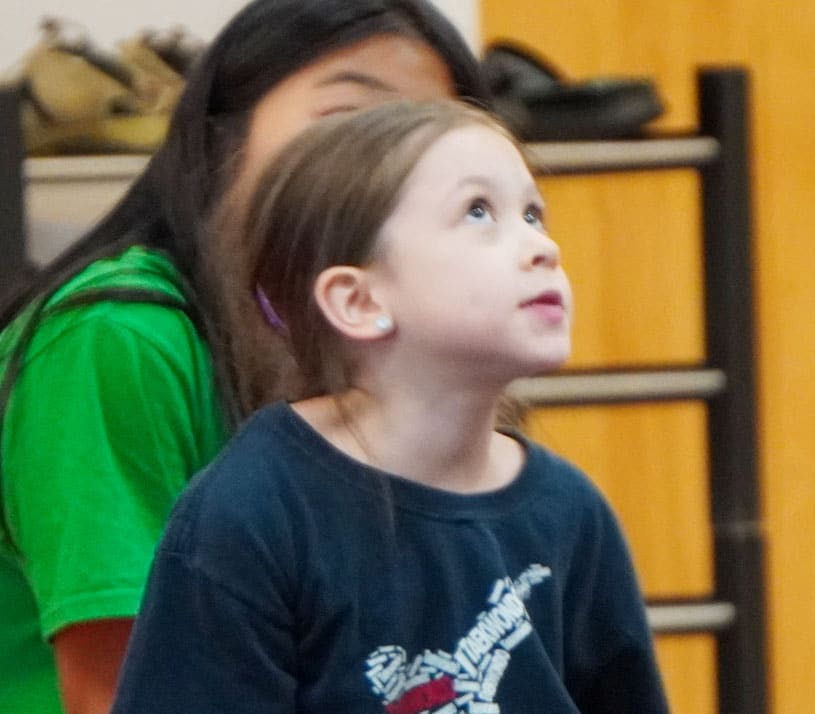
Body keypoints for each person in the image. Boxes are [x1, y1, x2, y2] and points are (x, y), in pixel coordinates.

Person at [0, 2, 489, 713]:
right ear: (223, 139)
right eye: (346, 120)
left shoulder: (378, 351)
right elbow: (114, 694)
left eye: (426, 144)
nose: (380, 171)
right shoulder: (119, 339)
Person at [111, 99, 669, 713]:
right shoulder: (252, 514)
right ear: (357, 300)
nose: (544, 248)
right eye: (478, 211)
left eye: (534, 215)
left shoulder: (571, 513)